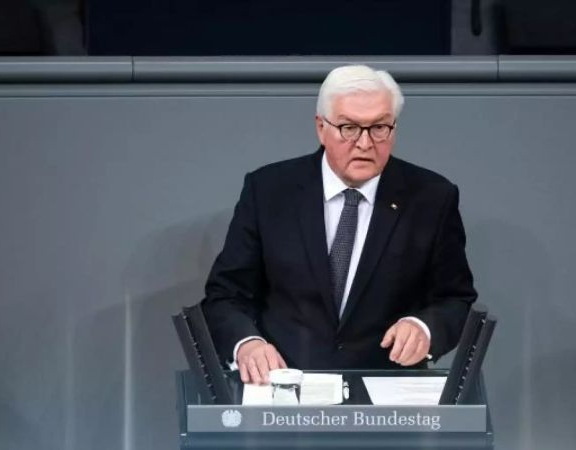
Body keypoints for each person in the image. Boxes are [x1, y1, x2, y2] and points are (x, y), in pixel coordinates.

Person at [202, 64, 477, 384]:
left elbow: (454, 298)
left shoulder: (431, 198)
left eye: (379, 127)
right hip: (284, 389)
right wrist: (247, 345)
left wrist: (424, 329)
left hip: (387, 395)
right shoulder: (269, 190)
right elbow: (225, 296)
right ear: (321, 127)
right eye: (349, 127)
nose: (364, 143)